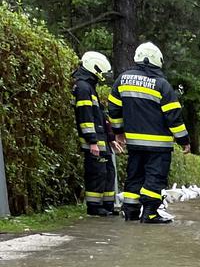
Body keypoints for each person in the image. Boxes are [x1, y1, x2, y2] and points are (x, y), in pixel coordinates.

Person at [108, 42, 188, 223]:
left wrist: (119, 133)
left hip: (135, 143)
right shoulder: (162, 84)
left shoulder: (122, 79)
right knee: (155, 177)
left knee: (134, 176)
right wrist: (184, 141)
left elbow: (114, 109)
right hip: (159, 145)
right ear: (157, 60)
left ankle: (130, 212)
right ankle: (150, 213)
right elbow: (173, 116)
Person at [72, 51, 118, 217]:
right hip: (94, 140)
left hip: (101, 139)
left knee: (108, 171)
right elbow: (85, 117)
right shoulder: (83, 88)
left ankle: (107, 205)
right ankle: (94, 207)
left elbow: (99, 115)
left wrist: (111, 138)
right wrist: (92, 141)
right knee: (97, 173)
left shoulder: (89, 87)